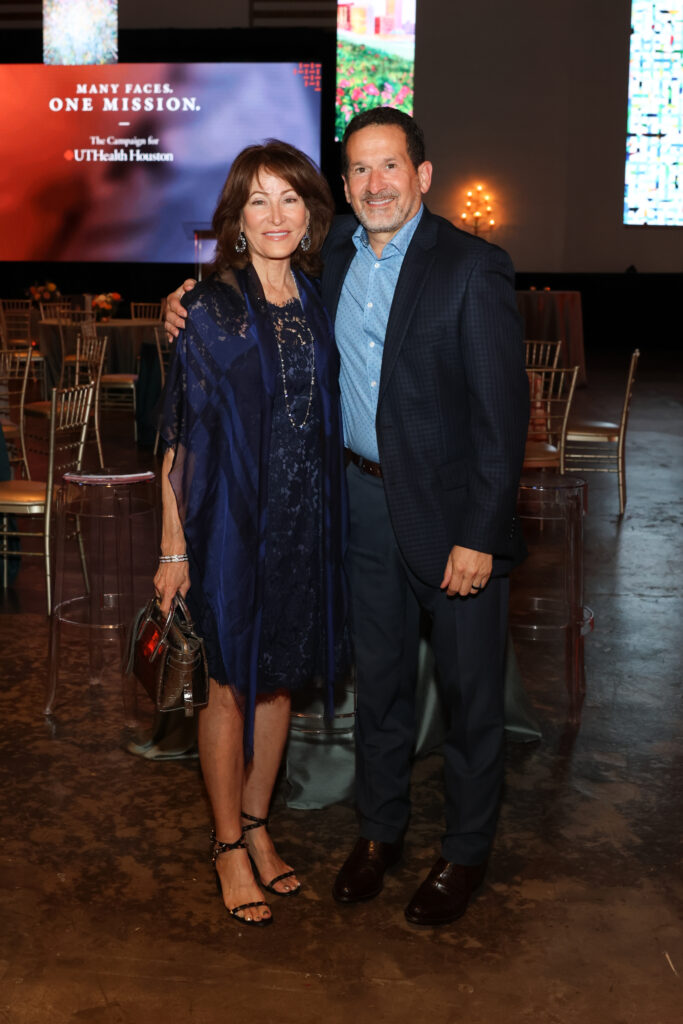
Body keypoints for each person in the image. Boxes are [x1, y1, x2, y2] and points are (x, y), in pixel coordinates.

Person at [165, 108, 530, 927]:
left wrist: (479, 532)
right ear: (342, 187)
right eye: (359, 171)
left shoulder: (473, 267)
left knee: (471, 699)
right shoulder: (327, 255)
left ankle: (464, 851)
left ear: (422, 175)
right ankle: (380, 833)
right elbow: (240, 293)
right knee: (383, 687)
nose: (374, 185)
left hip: (452, 522)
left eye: (389, 167)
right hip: (355, 508)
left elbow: (505, 419)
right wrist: (181, 303)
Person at [155, 140, 349, 928]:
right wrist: (173, 550)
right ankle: (228, 843)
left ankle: (262, 824)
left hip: (305, 522)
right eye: (257, 201)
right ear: (235, 219)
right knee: (230, 683)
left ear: (309, 214)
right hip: (228, 524)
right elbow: (177, 436)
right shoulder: (208, 308)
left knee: (281, 678)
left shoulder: (318, 296)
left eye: (290, 199)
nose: (275, 215)